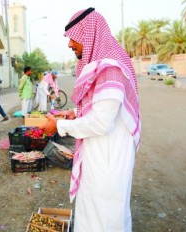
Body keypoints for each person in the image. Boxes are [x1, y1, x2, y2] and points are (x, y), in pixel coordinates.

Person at [43, 8, 141, 232]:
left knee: (105, 219)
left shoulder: (111, 69)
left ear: (91, 34)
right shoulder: (104, 65)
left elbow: (102, 122)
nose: (70, 44)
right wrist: (75, 114)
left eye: (73, 37)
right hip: (99, 155)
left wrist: (59, 125)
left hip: (108, 160)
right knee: (94, 214)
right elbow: (103, 110)